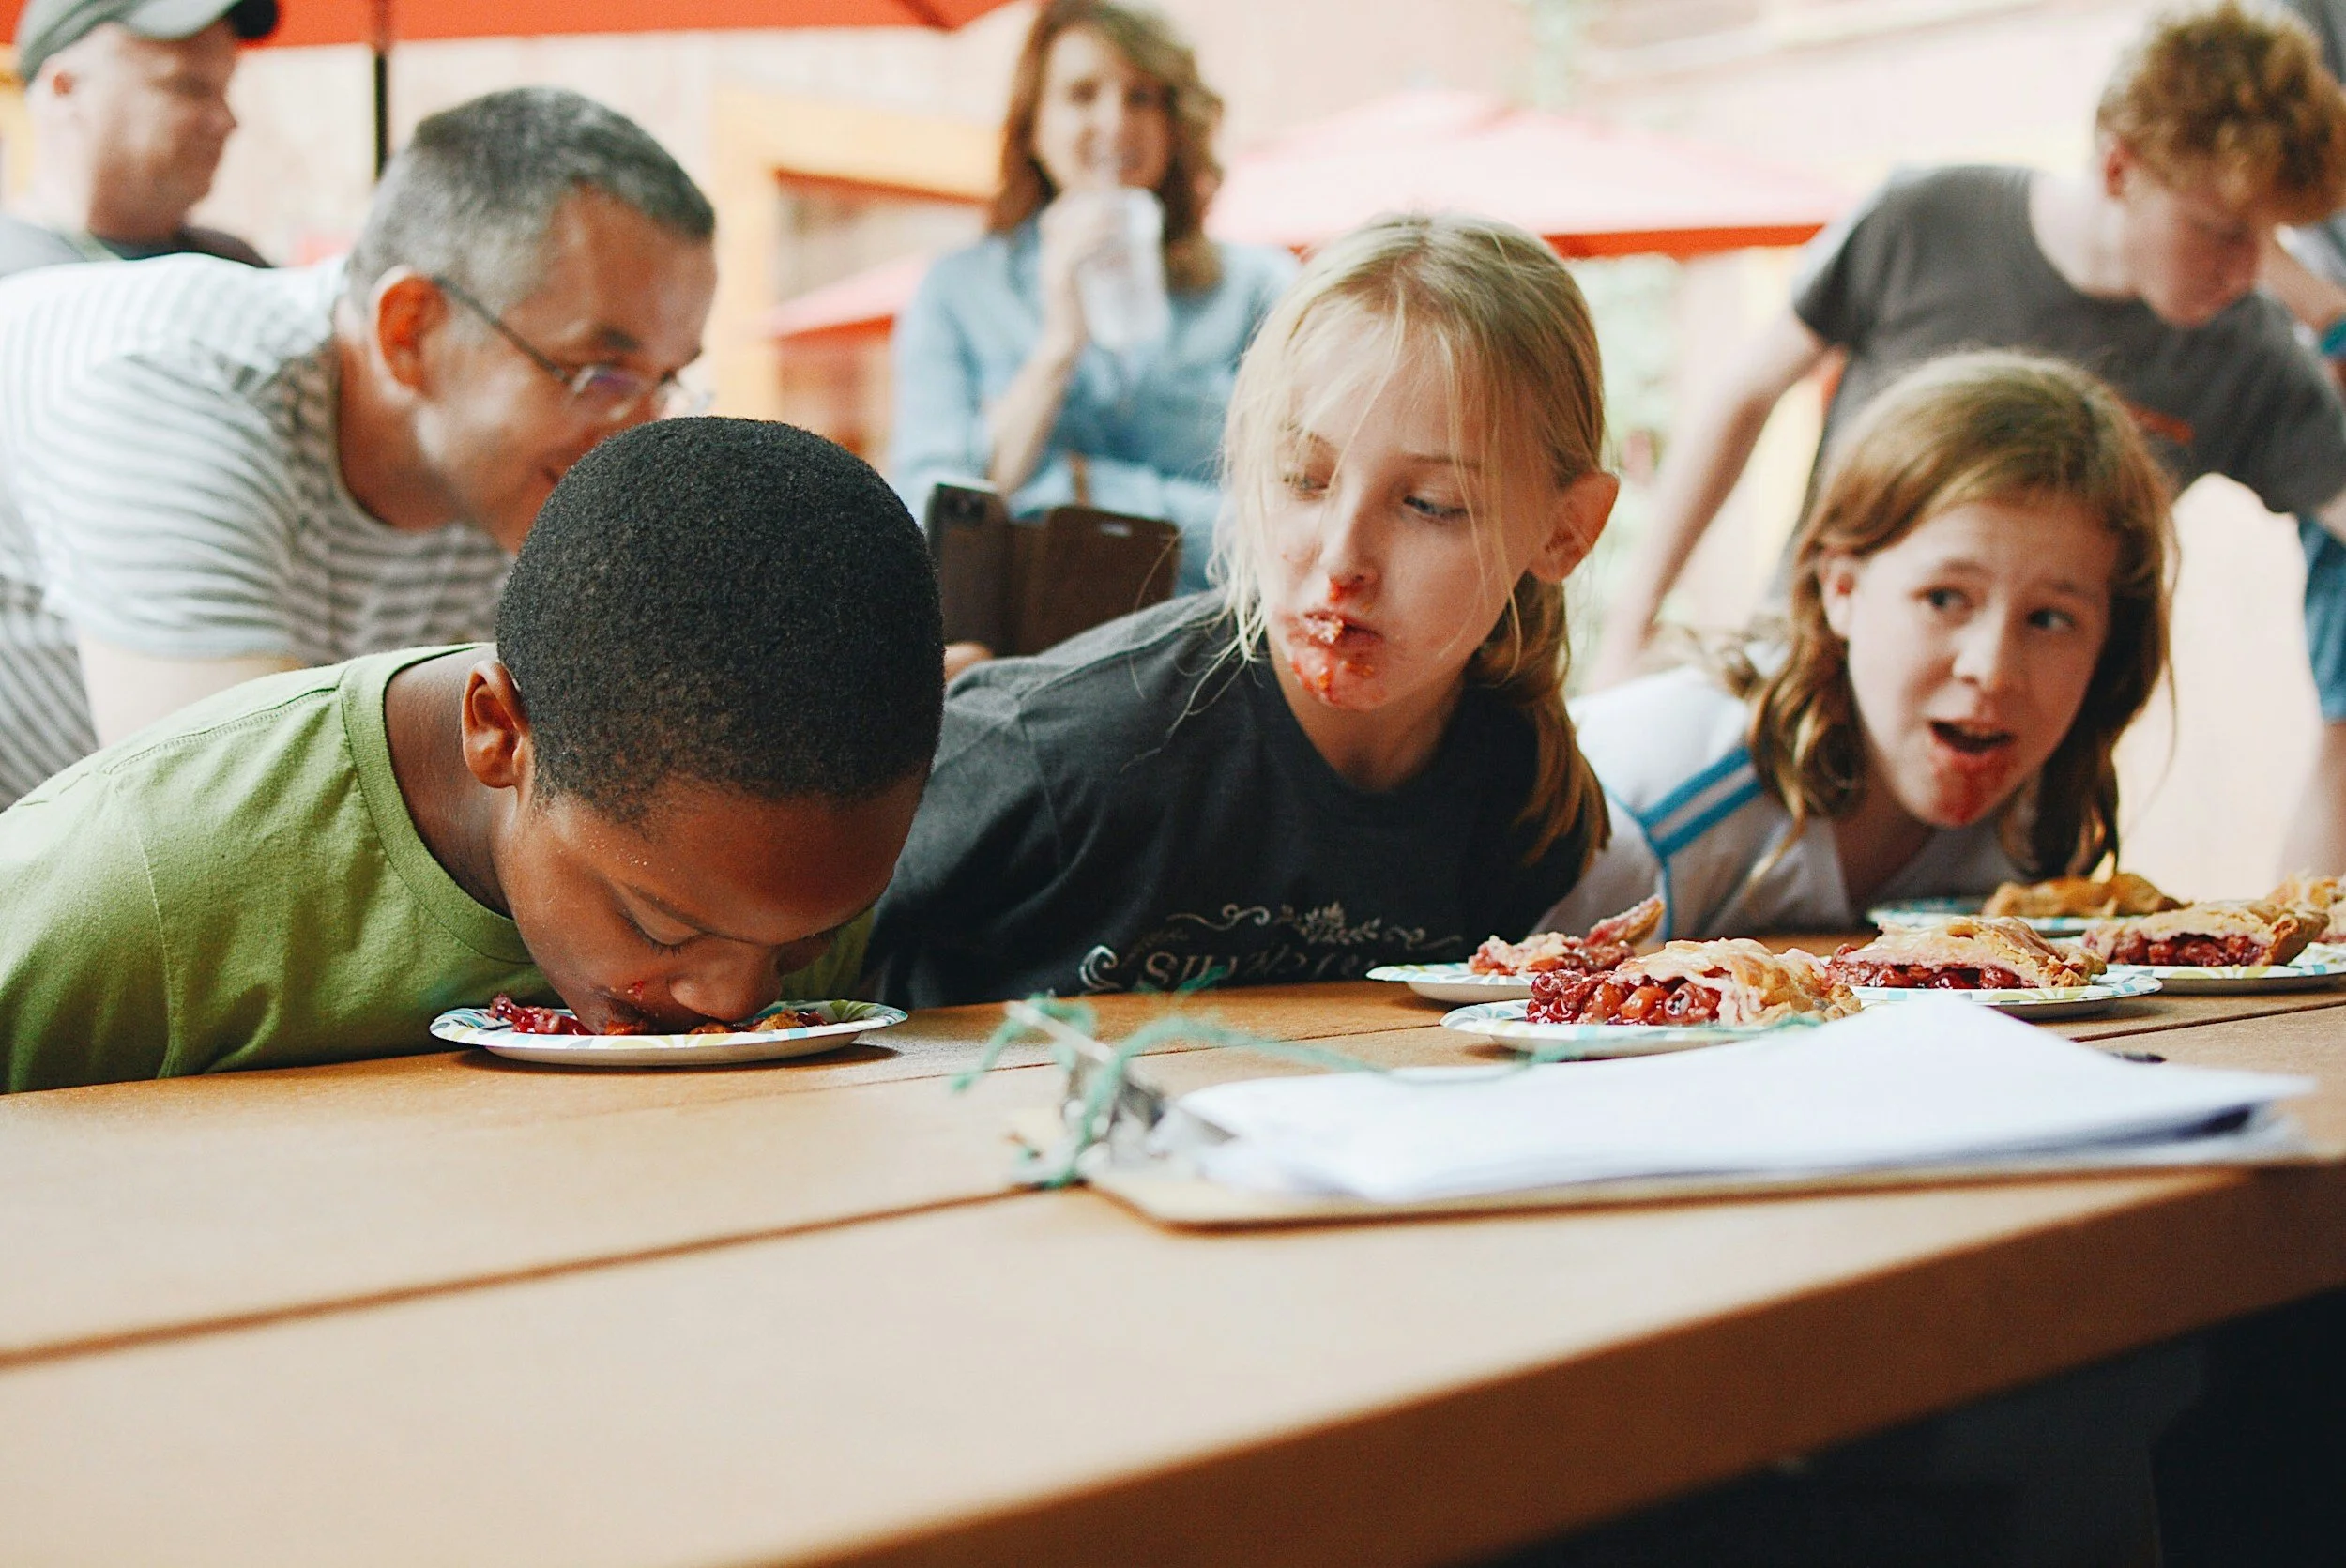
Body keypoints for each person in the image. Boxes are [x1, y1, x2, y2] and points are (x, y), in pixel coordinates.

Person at [1585, 3, 2346, 868]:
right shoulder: (1924, 219)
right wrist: (1625, 635)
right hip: (1803, 712)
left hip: (1999, 778)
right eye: (2220, 231)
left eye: (2270, 240)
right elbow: (1742, 399)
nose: (2250, 270)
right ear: (2120, 166)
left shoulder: (2247, 351)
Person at [0, 418, 945, 1094]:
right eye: (659, 930)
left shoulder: (799, 841)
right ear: (496, 731)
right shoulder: (135, 879)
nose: (735, 1000)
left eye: (807, 945)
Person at [869, 213, 1619, 1008]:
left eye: (1429, 504)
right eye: (1302, 476)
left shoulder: (1524, 795)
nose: (1341, 560)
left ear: (1567, 531)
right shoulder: (1063, 750)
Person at [0, 85, 718, 811]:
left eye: (667, 379)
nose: (637, 432)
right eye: (599, 373)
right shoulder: (178, 385)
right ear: (410, 330)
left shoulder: (502, 473)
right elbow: (243, 824)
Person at [1541, 352, 2171, 941]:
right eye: (1945, 598)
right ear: (1841, 588)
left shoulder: (2036, 823)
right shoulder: (1651, 808)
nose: (1992, 670)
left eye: (2052, 619)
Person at [888, 0, 1294, 598]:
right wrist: (1057, 349)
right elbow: (929, 523)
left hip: (1205, 646)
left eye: (1141, 97)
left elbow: (1292, 525)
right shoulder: (956, 291)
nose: (1115, 121)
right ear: (1032, 125)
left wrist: (1084, 492)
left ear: (1175, 123)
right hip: (1029, 657)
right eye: (1082, 94)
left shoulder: (1258, 288)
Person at [1, 0, 279, 279]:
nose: (226, 120)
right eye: (188, 88)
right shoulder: (14, 280)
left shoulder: (238, 267)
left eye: (223, 89)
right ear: (65, 89)